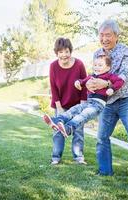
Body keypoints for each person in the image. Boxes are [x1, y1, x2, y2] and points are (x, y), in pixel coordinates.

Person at [86, 19, 128, 186]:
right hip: (107, 102)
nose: (104, 39)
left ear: (116, 36)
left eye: (108, 35)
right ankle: (105, 171)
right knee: (101, 137)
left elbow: (126, 74)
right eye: (101, 35)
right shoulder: (97, 53)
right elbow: (95, 74)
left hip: (127, 100)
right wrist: (90, 84)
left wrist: (106, 84)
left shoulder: (126, 51)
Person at [43, 55, 124, 138]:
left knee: (83, 115)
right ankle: (58, 120)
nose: (97, 67)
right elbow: (82, 81)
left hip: (98, 105)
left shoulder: (108, 76)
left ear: (107, 68)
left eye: (100, 65)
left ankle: (68, 129)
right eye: (95, 65)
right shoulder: (91, 76)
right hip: (88, 102)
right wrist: (77, 82)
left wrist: (112, 89)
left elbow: (120, 81)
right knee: (74, 109)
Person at [48, 37, 87, 165]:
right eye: (60, 52)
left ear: (70, 51)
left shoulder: (79, 64)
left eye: (66, 51)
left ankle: (78, 157)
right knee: (58, 131)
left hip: (77, 104)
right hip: (61, 105)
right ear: (57, 53)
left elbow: (85, 85)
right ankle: (56, 157)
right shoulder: (53, 66)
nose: (64, 55)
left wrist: (82, 105)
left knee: (78, 131)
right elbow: (53, 87)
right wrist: (58, 107)